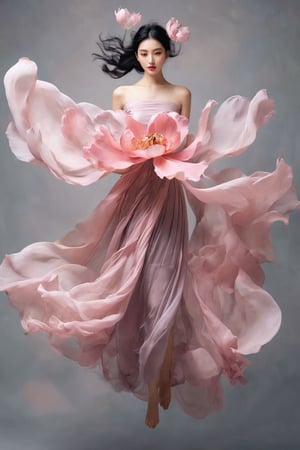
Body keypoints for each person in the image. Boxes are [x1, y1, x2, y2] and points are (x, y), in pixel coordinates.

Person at [0, 10, 298, 429]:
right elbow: (120, 146)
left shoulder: (180, 94)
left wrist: (168, 150)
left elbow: (185, 145)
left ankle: (159, 379)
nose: (151, 59)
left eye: (158, 52)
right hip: (135, 193)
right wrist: (130, 151)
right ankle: (148, 373)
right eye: (144, 52)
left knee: (167, 285)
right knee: (130, 287)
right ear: (136, 55)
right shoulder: (123, 96)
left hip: (168, 193)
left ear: (167, 54)